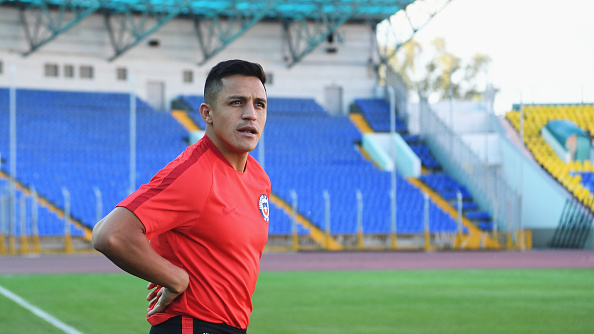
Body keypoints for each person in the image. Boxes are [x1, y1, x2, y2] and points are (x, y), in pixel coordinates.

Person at [92, 59, 270, 334]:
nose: (251, 114)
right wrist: (175, 278)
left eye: (259, 104)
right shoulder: (194, 173)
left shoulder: (259, 177)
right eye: (237, 102)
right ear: (207, 113)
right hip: (192, 325)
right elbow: (109, 234)